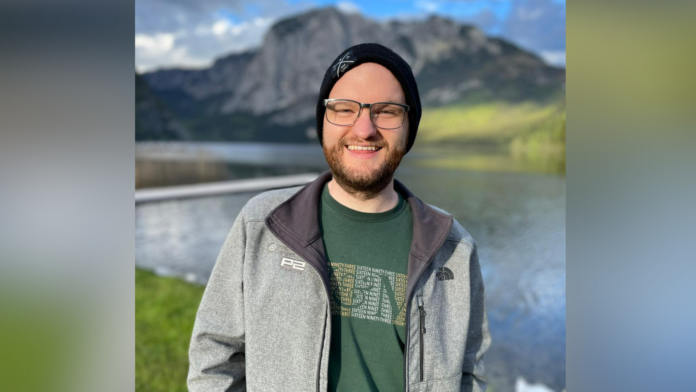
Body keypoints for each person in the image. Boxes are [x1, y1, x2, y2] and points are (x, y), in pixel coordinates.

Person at [187, 43, 491, 392]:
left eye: (387, 111)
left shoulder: (454, 247)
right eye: (343, 109)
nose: (364, 129)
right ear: (323, 123)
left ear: (409, 129)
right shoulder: (262, 224)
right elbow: (214, 358)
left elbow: (469, 377)